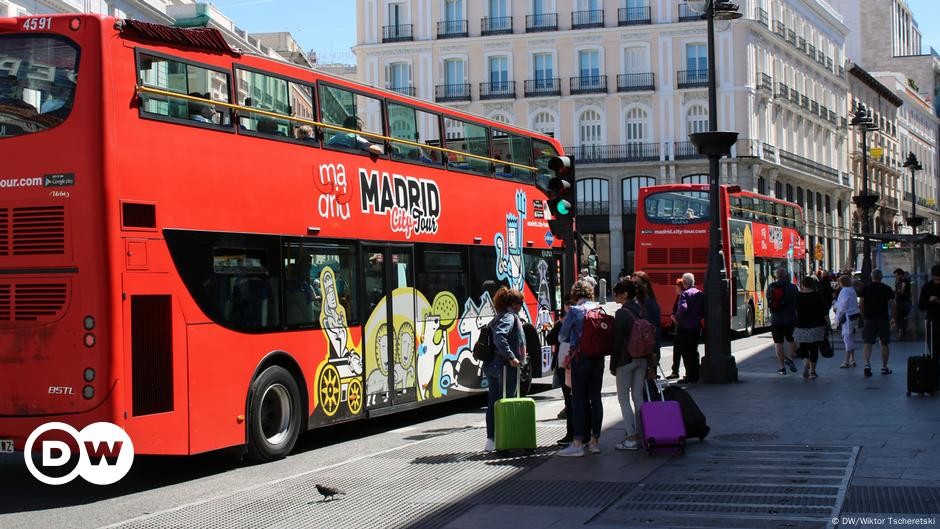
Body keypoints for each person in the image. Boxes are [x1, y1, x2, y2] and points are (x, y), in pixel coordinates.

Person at [556, 282, 603, 457]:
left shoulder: (575, 310)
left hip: (580, 357)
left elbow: (562, 336)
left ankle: (577, 442)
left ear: (575, 294)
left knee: (579, 400)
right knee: (595, 399)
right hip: (598, 359)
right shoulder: (598, 308)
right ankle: (595, 442)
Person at [483, 287, 525, 452]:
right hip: (504, 366)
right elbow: (500, 336)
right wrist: (511, 357)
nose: (522, 306)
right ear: (514, 304)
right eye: (520, 303)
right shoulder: (508, 317)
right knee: (507, 402)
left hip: (491, 365)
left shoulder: (497, 317)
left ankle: (491, 440)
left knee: (493, 403)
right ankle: (505, 440)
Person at [610, 280, 646, 451]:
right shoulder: (640, 309)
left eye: (617, 293)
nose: (615, 296)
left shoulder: (622, 313)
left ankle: (632, 437)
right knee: (638, 398)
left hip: (626, 360)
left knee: (623, 399)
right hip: (642, 358)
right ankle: (644, 433)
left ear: (624, 295)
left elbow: (618, 342)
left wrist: (613, 364)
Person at [859, 269, 896, 377]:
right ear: (881, 277)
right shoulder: (886, 288)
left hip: (869, 319)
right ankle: (884, 367)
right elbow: (893, 304)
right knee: (884, 343)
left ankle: (866, 365)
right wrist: (893, 317)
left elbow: (861, 303)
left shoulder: (865, 288)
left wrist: (863, 316)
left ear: (872, 277)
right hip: (883, 319)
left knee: (867, 343)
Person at [672, 272, 704, 384]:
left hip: (685, 328)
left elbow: (683, 308)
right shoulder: (700, 293)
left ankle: (690, 375)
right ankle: (696, 374)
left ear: (684, 283)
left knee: (686, 352)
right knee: (694, 351)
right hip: (696, 326)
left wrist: (677, 317)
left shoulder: (685, 294)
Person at [767, 268, 800, 375]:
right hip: (790, 319)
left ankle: (781, 367)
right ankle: (790, 358)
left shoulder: (771, 287)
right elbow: (797, 303)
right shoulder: (792, 287)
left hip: (776, 319)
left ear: (776, 276)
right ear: (786, 275)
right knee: (791, 340)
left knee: (778, 343)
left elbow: (769, 302)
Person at [794, 276, 827, 379]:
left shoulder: (798, 296)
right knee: (814, 349)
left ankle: (805, 364)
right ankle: (812, 371)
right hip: (816, 326)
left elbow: (795, 311)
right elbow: (824, 312)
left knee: (803, 348)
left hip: (801, 326)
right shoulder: (818, 296)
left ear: (802, 285)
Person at [631, 271, 662, 371]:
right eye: (632, 284)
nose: (634, 286)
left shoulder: (650, 303)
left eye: (636, 283)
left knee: (649, 382)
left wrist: (654, 349)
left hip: (648, 348)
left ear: (645, 284)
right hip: (638, 349)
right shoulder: (635, 302)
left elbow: (654, 327)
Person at [834, 274, 861, 368]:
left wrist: (837, 317)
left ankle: (846, 360)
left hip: (847, 316)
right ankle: (852, 359)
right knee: (850, 337)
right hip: (853, 315)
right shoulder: (852, 290)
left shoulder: (844, 291)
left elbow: (843, 306)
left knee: (847, 337)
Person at [917, 264, 940, 357]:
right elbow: (921, 306)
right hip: (932, 321)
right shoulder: (927, 287)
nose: (937, 282)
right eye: (935, 279)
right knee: (933, 348)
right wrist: (930, 301)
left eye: (939, 279)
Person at [667, 277, 686, 379]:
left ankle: (676, 371)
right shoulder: (680, 296)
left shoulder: (683, 296)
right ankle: (675, 370)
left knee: (680, 350)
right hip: (679, 327)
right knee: (678, 350)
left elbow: (682, 309)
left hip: (681, 326)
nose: (675, 289)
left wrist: (675, 318)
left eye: (676, 287)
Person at [893, 268, 912, 341]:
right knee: (901, 318)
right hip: (903, 302)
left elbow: (902, 291)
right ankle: (901, 332)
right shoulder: (903, 280)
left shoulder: (903, 281)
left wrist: (897, 293)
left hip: (902, 302)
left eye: (896, 275)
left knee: (900, 318)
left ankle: (901, 333)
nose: (896, 277)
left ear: (900, 274)